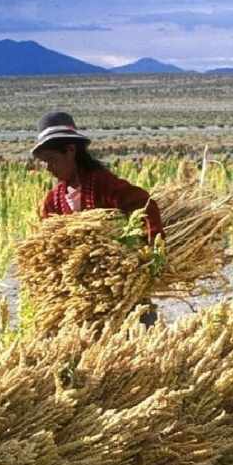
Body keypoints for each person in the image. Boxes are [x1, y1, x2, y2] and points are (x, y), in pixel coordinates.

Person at [32, 111, 165, 326]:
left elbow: (146, 207)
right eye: (43, 162)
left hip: (122, 293)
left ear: (70, 151)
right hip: (79, 299)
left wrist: (150, 256)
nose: (47, 167)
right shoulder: (52, 201)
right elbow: (48, 246)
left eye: (51, 159)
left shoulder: (104, 185)